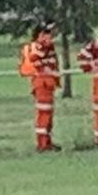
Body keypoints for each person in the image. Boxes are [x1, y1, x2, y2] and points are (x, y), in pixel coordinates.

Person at [20, 23, 62, 152]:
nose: (51, 37)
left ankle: (47, 142)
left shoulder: (49, 48)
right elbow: (36, 58)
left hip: (48, 84)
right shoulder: (36, 47)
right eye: (47, 34)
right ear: (40, 35)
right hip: (41, 83)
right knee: (43, 113)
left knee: (48, 114)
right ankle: (42, 144)